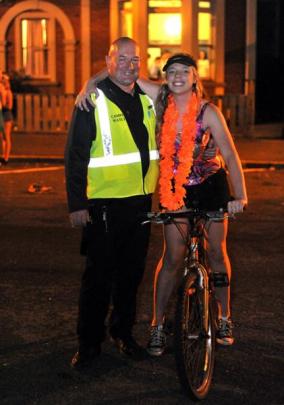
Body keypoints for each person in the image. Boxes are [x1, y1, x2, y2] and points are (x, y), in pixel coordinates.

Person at [136, 53, 247, 355]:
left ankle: (224, 316)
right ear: (166, 77)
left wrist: (239, 196)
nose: (178, 76)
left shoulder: (209, 111)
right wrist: (89, 85)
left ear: (195, 77)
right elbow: (124, 75)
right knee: (172, 256)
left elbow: (231, 154)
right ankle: (158, 324)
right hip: (175, 187)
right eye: (171, 71)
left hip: (211, 186)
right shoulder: (161, 100)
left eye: (184, 71)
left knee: (216, 251)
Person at [65, 37, 159, 369]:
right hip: (103, 204)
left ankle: (122, 333)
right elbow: (75, 154)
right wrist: (77, 204)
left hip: (141, 202)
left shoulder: (147, 100)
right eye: (122, 58)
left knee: (131, 276)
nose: (129, 64)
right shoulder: (93, 99)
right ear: (108, 60)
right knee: (98, 278)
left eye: (135, 59)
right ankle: (89, 343)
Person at [1, 74, 13, 165]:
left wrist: (3, 102)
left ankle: (6, 157)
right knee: (2, 137)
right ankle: (4, 155)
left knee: (6, 136)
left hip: (6, 114)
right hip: (3, 113)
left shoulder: (8, 92)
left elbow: (9, 106)